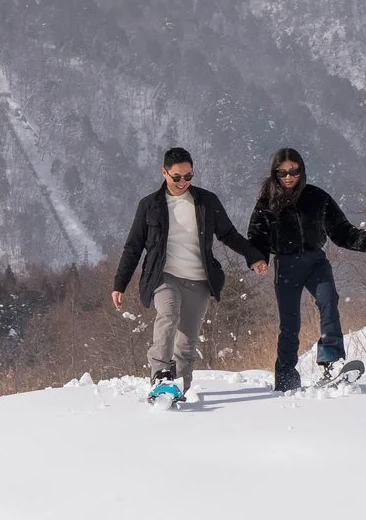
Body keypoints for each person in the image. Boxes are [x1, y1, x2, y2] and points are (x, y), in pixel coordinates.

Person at [110, 146, 267, 398]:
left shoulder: (206, 201)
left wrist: (254, 256)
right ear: (164, 173)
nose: (183, 182)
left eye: (189, 176)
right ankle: (160, 375)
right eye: (177, 177)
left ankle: (179, 387)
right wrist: (120, 284)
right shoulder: (149, 205)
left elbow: (228, 234)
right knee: (168, 316)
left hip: (200, 280)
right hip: (164, 276)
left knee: (187, 341)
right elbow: (133, 246)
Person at [246, 147, 366, 390]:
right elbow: (257, 236)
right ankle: (286, 377)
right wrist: (258, 260)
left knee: (328, 302)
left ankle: (332, 361)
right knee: (290, 323)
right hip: (286, 265)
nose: (289, 177)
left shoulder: (317, 198)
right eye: (283, 173)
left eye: (294, 171)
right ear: (275, 174)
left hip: (315, 262)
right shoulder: (266, 204)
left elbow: (341, 229)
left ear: (302, 171)